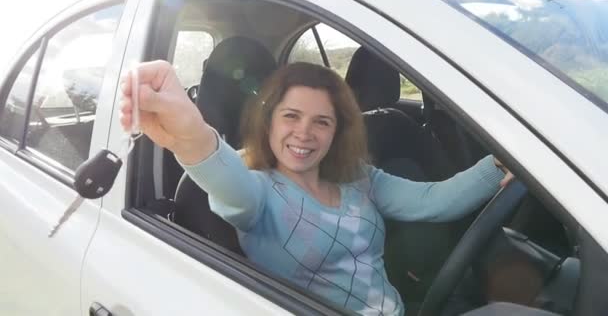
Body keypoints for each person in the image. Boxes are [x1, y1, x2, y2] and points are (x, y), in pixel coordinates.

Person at [120, 60, 513, 316]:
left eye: (321, 121)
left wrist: (500, 164)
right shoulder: (256, 193)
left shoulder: (359, 177)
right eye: (290, 116)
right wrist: (189, 131)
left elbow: (433, 201)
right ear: (268, 122)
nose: (304, 133)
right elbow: (219, 171)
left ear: (336, 129)